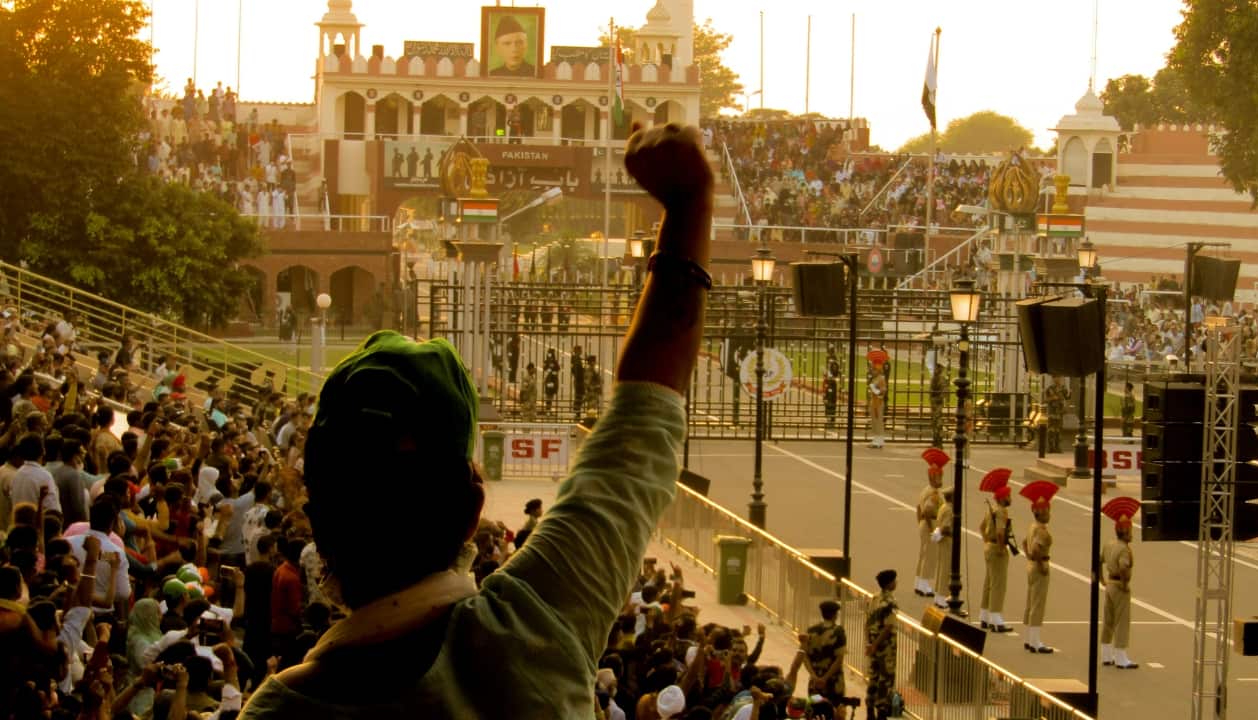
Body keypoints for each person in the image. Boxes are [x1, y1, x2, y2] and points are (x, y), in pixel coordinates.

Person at [241, 119, 713, 718]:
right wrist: (689, 205)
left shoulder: (277, 710)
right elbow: (638, 430)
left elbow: (638, 430)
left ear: (318, 525)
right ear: (471, 512)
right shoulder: (534, 629)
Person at [1101, 496, 1140, 669]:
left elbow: (1098, 561)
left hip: (1110, 583)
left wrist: (1102, 579)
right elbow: (1124, 568)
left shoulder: (1109, 544)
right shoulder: (1124, 549)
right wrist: (1124, 584)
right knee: (1122, 621)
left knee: (1108, 620)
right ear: (1124, 531)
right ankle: (1121, 658)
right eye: (1130, 530)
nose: (1131, 533)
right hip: (1119, 585)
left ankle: (1105, 654)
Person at [1020, 480, 1058, 653]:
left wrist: (1029, 556)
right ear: (1041, 512)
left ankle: (1029, 638)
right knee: (1037, 604)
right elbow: (1036, 548)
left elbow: (1024, 542)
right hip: (1038, 566)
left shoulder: (1032, 526)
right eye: (1047, 510)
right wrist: (1041, 563)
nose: (1049, 513)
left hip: (1031, 565)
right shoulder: (1041, 530)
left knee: (1031, 602)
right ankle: (1035, 642)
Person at [977, 468, 1014, 633]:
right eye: (1008, 495)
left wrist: (987, 542)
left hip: (989, 547)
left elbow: (981, 527)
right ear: (1003, 497)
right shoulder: (1001, 512)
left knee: (989, 583)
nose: (1010, 498)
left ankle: (984, 616)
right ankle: (996, 619)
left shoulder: (991, 510)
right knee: (999, 584)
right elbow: (1000, 532)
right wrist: (1000, 547)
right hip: (996, 549)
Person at [865, 569, 898, 720]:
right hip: (885, 647)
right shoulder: (890, 602)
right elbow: (888, 627)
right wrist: (876, 644)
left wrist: (869, 644)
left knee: (873, 677)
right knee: (885, 679)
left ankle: (869, 709)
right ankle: (881, 710)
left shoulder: (874, 598)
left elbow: (867, 623)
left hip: (873, 644)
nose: (896, 583)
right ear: (890, 583)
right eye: (894, 580)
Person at [914, 448, 947, 597]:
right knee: (930, 556)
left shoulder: (925, 490)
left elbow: (918, 508)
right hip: (930, 523)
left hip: (924, 524)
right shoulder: (934, 493)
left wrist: (920, 524)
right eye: (939, 476)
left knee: (923, 554)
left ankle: (918, 582)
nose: (941, 479)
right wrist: (931, 529)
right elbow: (927, 511)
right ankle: (924, 585)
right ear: (934, 477)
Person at [802, 600, 846, 700]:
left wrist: (813, 676)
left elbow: (804, 656)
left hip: (815, 683)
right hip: (833, 683)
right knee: (833, 707)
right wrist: (825, 679)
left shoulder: (811, 630)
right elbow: (839, 659)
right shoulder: (838, 632)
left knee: (816, 705)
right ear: (835, 615)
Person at [930, 487, 955, 610]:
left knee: (941, 568)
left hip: (942, 541)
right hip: (947, 541)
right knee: (946, 570)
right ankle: (943, 597)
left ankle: (938, 596)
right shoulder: (949, 510)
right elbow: (945, 528)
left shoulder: (943, 507)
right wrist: (954, 534)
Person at [867, 350, 888, 449]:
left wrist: (874, 390)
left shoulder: (881, 378)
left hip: (878, 403)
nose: (872, 370)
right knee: (875, 422)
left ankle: (879, 441)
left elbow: (883, 391)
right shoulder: (875, 378)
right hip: (874, 402)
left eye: (874, 369)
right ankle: (876, 439)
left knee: (878, 421)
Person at [1045, 377, 1068, 453]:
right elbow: (1046, 400)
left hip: (1059, 412)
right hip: (1052, 412)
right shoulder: (1050, 389)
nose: (1057, 379)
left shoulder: (1063, 389)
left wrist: (1070, 393)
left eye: (1059, 377)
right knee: (1051, 430)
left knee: (1058, 430)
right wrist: (1052, 398)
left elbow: (1067, 398)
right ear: (1053, 379)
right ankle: (1051, 447)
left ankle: (1057, 447)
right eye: (1055, 378)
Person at [930, 361, 948, 448]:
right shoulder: (934, 378)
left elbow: (944, 392)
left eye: (937, 369)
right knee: (934, 422)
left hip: (937, 403)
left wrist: (938, 398)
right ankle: (935, 441)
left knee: (938, 423)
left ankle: (939, 441)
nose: (935, 370)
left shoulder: (941, 379)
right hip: (934, 403)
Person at [822, 345, 840, 431]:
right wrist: (825, 373)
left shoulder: (834, 361)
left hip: (832, 383)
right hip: (828, 382)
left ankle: (831, 417)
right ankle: (829, 416)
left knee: (831, 400)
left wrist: (830, 376)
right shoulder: (829, 360)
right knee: (826, 399)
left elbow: (836, 373)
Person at [570, 345, 585, 422]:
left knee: (578, 396)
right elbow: (577, 370)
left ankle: (577, 412)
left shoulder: (575, 359)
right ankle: (577, 413)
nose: (581, 351)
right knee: (579, 396)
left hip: (578, 380)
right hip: (579, 381)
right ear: (578, 351)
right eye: (580, 350)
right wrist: (583, 370)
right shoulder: (576, 359)